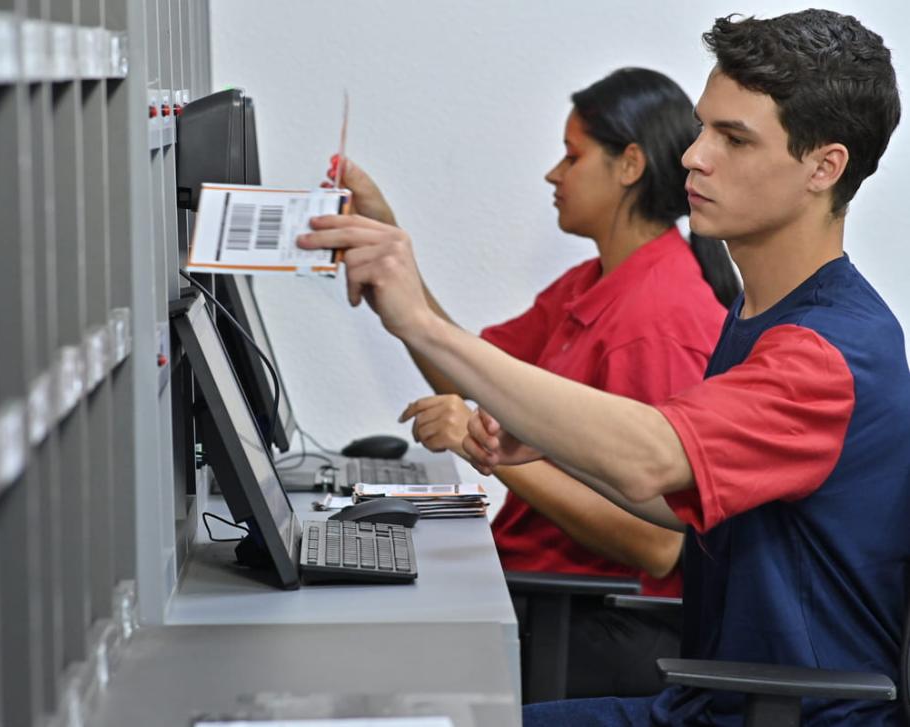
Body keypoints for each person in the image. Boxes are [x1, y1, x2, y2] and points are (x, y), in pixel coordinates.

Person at [299, 9, 906, 725]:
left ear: (823, 166)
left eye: (733, 139)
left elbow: (652, 462)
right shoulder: (760, 313)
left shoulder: (826, 351)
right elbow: (681, 491)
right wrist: (549, 443)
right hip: (710, 700)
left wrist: (425, 324)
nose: (693, 156)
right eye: (704, 128)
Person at [331, 67, 739, 697]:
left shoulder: (660, 320)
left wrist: (488, 451)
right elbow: (471, 370)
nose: (554, 174)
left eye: (572, 156)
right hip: (536, 594)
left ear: (629, 165)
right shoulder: (593, 283)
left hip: (589, 621)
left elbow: (659, 544)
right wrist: (394, 259)